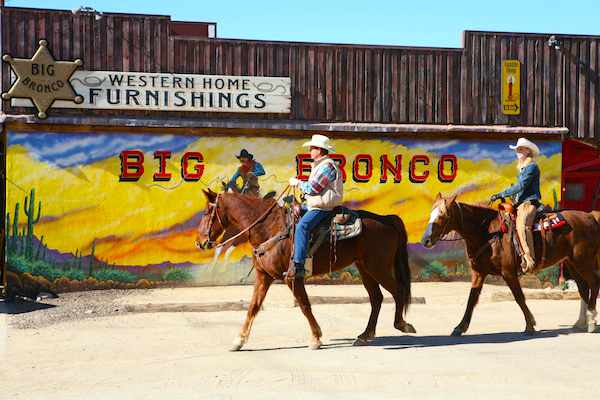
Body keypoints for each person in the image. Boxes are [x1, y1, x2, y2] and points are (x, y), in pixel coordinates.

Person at [288, 134, 344, 278]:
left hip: (322, 207)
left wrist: (298, 183)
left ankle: (299, 265)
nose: (310, 151)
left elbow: (314, 187)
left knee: (302, 227)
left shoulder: (326, 167)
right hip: (316, 204)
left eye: (312, 148)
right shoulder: (321, 166)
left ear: (319, 150)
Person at [490, 137, 542, 273]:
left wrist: (501, 194)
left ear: (528, 151)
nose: (518, 151)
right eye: (517, 149)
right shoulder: (523, 168)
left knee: (522, 226)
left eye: (521, 149)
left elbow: (520, 186)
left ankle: (530, 260)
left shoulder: (532, 166)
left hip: (529, 203)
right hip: (520, 203)